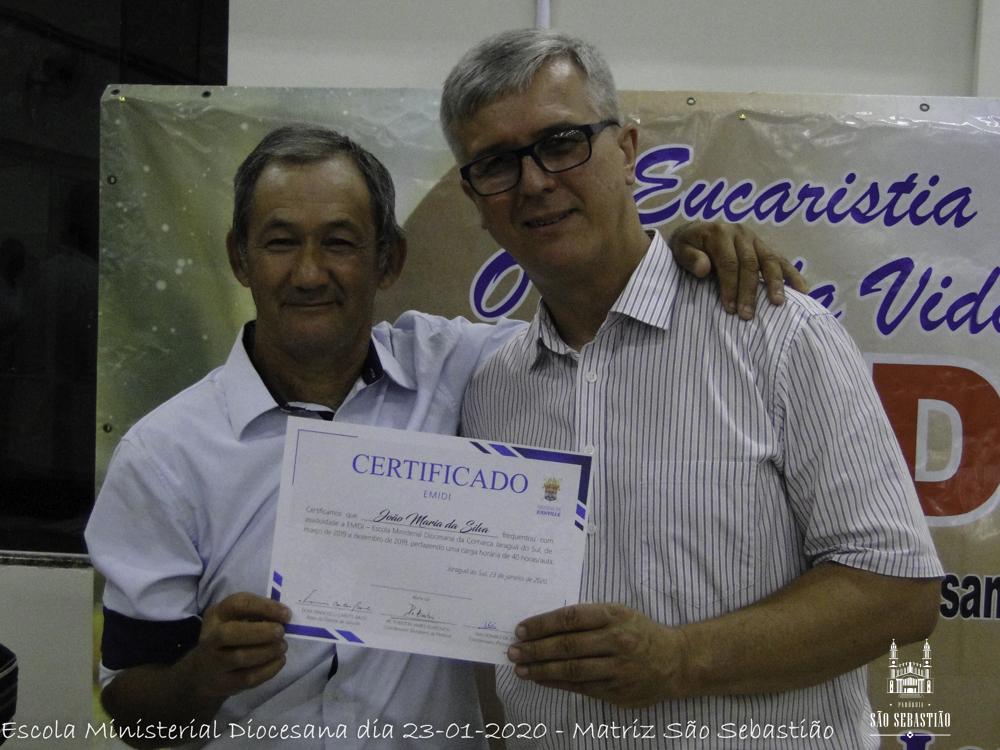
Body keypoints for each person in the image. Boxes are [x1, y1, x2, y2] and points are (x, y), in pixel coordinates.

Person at [85, 125, 793, 748]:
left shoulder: (464, 371)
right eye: (279, 243)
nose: (308, 273)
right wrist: (202, 677)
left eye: (340, 243)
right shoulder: (164, 456)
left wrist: (678, 254)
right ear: (240, 258)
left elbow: (592, 330)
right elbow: (134, 713)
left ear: (388, 260)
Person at [446, 29, 943, 749]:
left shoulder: (778, 335)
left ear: (627, 150)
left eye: (562, 142)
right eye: (496, 162)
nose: (535, 181)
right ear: (474, 196)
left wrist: (681, 659)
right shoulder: (489, 391)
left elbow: (900, 595)